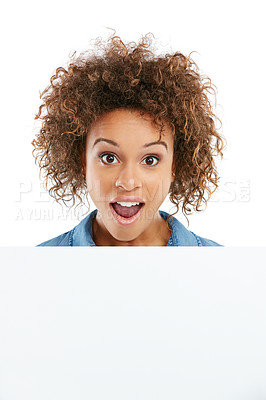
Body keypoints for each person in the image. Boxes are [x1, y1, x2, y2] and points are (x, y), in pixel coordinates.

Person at [32, 33, 225, 246]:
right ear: (83, 162)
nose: (128, 182)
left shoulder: (227, 269)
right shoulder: (33, 269)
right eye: (108, 158)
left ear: (174, 166)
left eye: (150, 159)